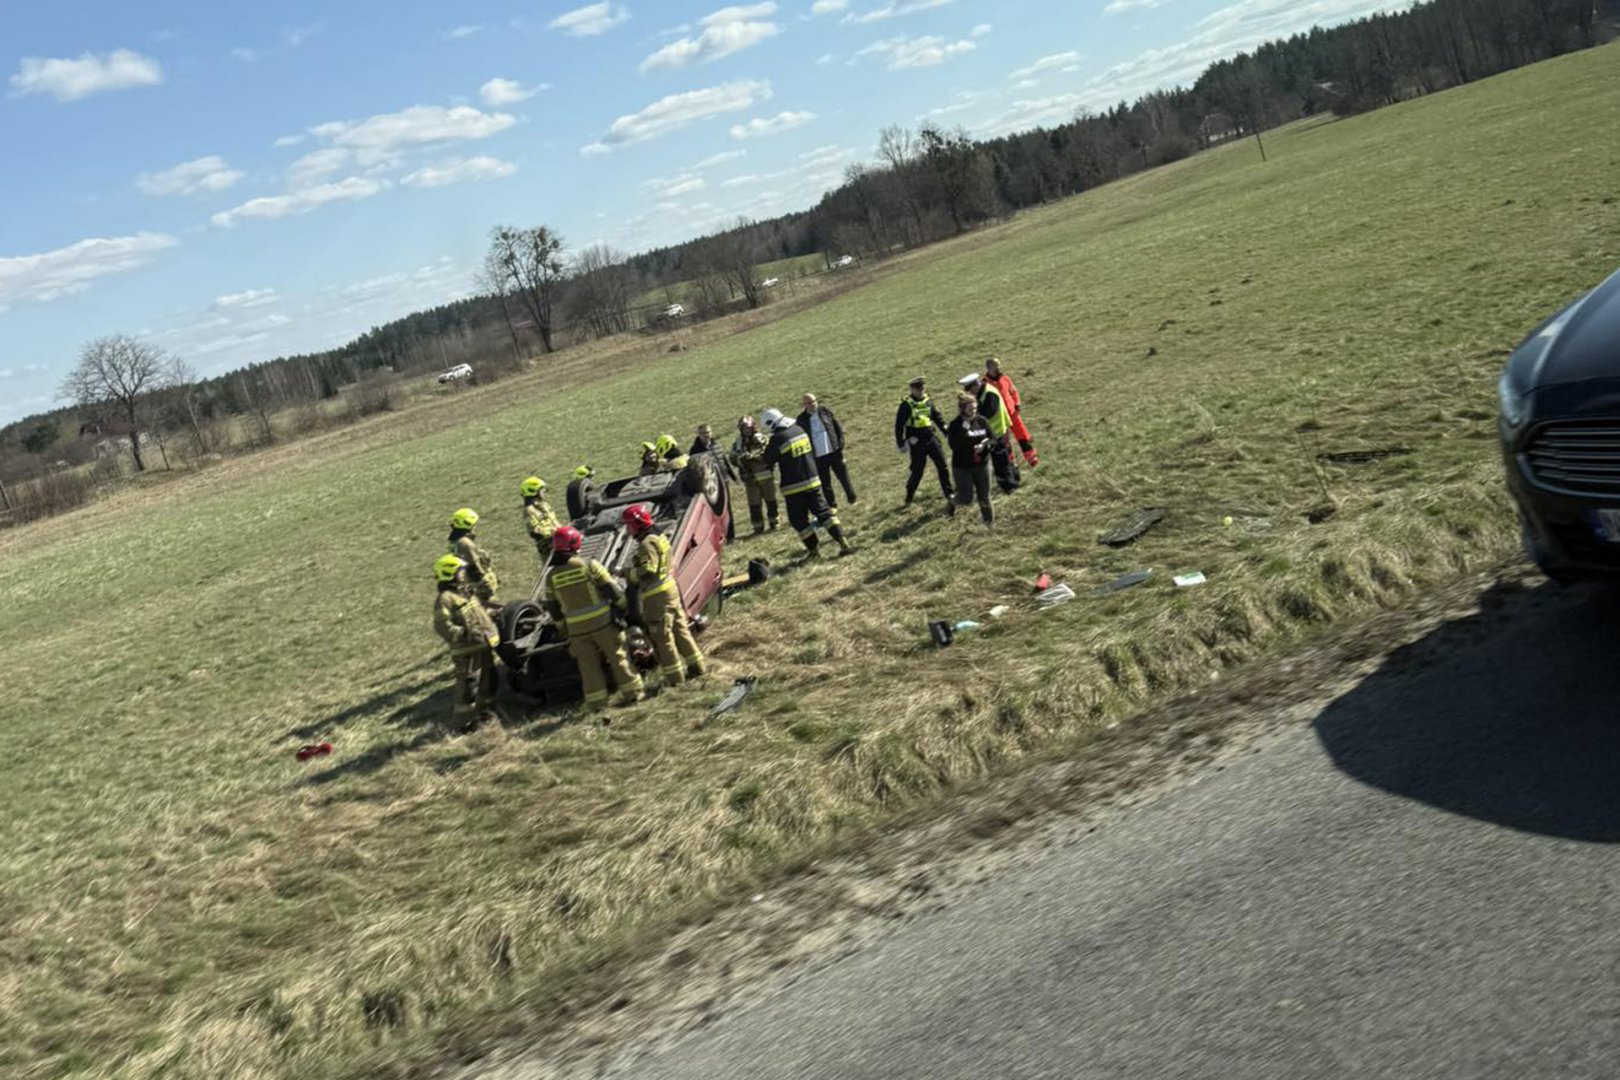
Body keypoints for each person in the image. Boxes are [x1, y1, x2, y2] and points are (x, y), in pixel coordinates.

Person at [541, 525, 644, 710]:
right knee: (618, 658)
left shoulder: (551, 577)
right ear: (575, 545)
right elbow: (611, 589)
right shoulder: (589, 565)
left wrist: (562, 626)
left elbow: (553, 606)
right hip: (603, 624)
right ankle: (633, 693)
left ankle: (597, 704)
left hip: (577, 630)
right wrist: (622, 607)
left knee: (588, 667)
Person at [623, 504, 706, 686]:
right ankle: (697, 666)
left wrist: (626, 573)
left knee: (662, 638)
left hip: (657, 596)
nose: (628, 530)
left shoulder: (646, 544)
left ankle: (675, 678)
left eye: (629, 525)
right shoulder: (659, 537)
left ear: (637, 524)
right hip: (670, 591)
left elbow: (648, 571)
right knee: (681, 630)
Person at [761, 407, 855, 558]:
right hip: (813, 481)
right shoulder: (799, 430)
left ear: (772, 424)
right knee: (825, 513)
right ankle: (843, 541)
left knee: (799, 520)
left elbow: (767, 461)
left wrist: (764, 450)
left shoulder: (778, 438)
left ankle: (813, 550)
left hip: (794, 487)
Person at [432, 554, 501, 728]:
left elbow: (477, 614)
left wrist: (492, 617)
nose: (463, 574)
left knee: (489, 680)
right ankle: (463, 724)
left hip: (483, 645)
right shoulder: (445, 599)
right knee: (469, 688)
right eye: (459, 571)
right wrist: (464, 635)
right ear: (449, 573)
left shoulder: (465, 592)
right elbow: (442, 626)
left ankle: (486, 715)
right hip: (467, 651)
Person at [893, 376, 954, 509]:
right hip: (917, 442)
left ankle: (949, 494)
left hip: (930, 438)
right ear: (911, 389)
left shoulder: (927, 401)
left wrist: (945, 430)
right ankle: (909, 497)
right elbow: (899, 425)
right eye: (917, 388)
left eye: (922, 388)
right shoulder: (906, 405)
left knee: (942, 466)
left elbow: (937, 417)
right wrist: (901, 443)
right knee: (917, 471)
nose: (920, 391)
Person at [958, 374, 1021, 494]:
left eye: (969, 389)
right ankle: (1014, 479)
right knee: (1006, 457)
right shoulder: (984, 391)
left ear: (975, 385)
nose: (969, 392)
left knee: (1000, 460)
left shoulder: (989, 393)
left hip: (997, 431)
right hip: (996, 430)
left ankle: (1009, 486)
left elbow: (989, 413)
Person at [796, 393, 856, 506]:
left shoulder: (825, 411)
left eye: (813, 401)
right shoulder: (801, 420)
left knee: (843, 476)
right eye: (808, 403)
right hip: (817, 457)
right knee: (825, 482)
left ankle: (851, 497)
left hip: (834, 451)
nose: (812, 404)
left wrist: (840, 444)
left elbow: (837, 427)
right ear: (804, 405)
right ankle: (831, 504)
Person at [946, 393, 995, 526]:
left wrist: (984, 446)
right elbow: (953, 445)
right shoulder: (955, 425)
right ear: (962, 410)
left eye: (975, 408)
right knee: (967, 498)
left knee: (984, 497)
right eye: (970, 409)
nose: (974, 412)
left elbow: (993, 439)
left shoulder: (982, 421)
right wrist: (963, 431)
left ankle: (989, 525)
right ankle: (952, 502)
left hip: (982, 464)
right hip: (962, 467)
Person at [984, 356, 1038, 468]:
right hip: (1000, 417)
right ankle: (1011, 464)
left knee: (1022, 435)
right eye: (996, 368)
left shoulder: (1006, 379)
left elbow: (1014, 392)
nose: (999, 369)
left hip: (1013, 412)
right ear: (989, 369)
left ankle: (1031, 458)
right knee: (1005, 441)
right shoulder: (984, 384)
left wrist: (1017, 403)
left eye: (999, 366)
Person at [730, 415, 780, 534]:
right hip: (749, 478)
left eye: (748, 428)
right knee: (754, 504)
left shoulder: (761, 438)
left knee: (770, 500)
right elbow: (732, 457)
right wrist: (739, 459)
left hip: (764, 475)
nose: (746, 431)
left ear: (753, 428)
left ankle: (775, 522)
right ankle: (758, 526)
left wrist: (752, 456)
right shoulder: (738, 443)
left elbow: (767, 453)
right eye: (744, 429)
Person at [448, 507, 499, 603]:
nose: (475, 527)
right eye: (473, 525)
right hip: (475, 584)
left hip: (464, 583)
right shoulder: (466, 543)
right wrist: (487, 583)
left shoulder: (454, 542)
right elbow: (475, 566)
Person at [521, 476, 559, 558]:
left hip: (561, 541)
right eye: (542, 489)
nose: (544, 491)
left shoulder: (545, 505)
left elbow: (555, 522)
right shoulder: (529, 511)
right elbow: (536, 531)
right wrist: (553, 531)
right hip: (549, 548)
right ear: (533, 491)